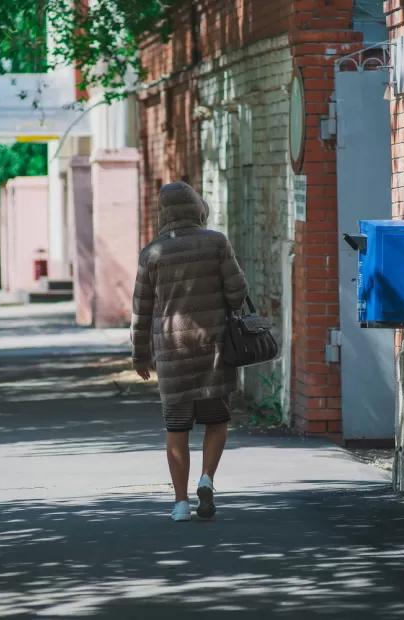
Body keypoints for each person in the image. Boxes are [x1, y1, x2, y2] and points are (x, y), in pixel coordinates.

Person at [130, 181, 248, 522]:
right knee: (217, 420)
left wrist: (140, 355)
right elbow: (238, 293)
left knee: (176, 428)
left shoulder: (151, 253)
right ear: (197, 206)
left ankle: (180, 503)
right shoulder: (216, 243)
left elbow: (142, 310)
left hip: (172, 354)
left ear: (164, 213)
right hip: (213, 348)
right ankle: (207, 479)